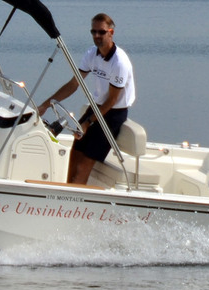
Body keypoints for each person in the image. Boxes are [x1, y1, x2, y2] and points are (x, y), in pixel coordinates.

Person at [39, 13, 136, 185]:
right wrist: (45, 105)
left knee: (84, 166)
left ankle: (77, 204)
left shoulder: (119, 62)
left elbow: (112, 101)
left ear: (111, 33)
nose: (97, 36)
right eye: (93, 32)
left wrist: (87, 122)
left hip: (113, 114)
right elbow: (74, 84)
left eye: (101, 32)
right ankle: (67, 194)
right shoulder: (92, 54)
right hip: (96, 107)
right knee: (73, 156)